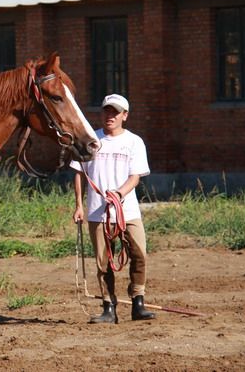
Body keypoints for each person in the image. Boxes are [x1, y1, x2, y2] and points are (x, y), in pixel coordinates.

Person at [69, 94, 154, 324]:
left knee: (139, 254)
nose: (110, 116)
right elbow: (79, 172)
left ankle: (138, 302)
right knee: (103, 261)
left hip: (128, 211)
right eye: (107, 111)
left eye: (115, 112)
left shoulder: (134, 142)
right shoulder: (90, 140)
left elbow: (135, 176)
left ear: (124, 116)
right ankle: (109, 307)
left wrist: (119, 193)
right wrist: (79, 206)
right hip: (97, 212)